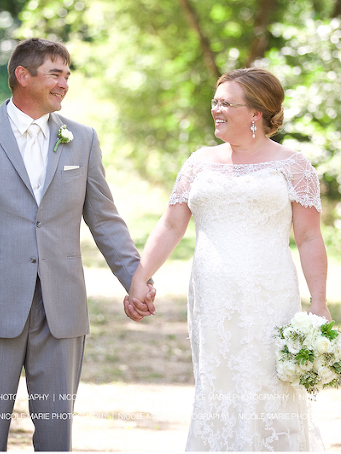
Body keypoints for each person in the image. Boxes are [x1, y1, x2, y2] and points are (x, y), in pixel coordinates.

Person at [0, 37, 154, 451]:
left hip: (62, 307)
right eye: (56, 74)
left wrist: (136, 278)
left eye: (67, 76)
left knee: (57, 435)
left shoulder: (82, 138)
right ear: (23, 75)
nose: (64, 84)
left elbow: (105, 219)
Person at [125, 68, 329, 451]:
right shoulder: (200, 162)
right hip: (211, 296)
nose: (216, 110)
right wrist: (141, 276)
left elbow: (309, 236)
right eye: (215, 102)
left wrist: (319, 302)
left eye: (226, 103)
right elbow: (171, 225)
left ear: (256, 113)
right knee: (218, 382)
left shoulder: (294, 165)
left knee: (269, 384)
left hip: (269, 294)